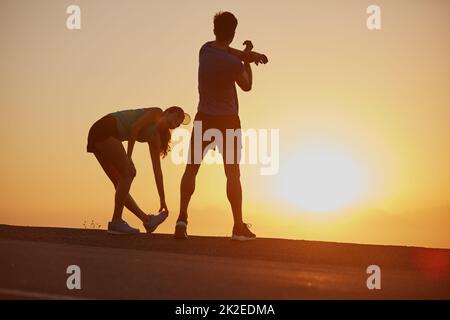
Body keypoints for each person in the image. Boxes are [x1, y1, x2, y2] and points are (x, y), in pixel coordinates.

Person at [174, 11, 268, 240]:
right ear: (233, 33)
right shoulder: (235, 63)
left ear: (214, 29)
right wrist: (248, 60)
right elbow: (247, 86)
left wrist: (247, 55)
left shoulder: (204, 50)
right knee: (232, 174)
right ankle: (238, 226)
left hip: (204, 118)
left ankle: (182, 219)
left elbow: (223, 49)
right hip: (227, 121)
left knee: (191, 168)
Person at [87, 106, 190, 234]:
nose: (177, 123)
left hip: (98, 134)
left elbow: (157, 171)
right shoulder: (156, 112)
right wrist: (128, 157)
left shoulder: (154, 138)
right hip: (105, 128)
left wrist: (162, 199)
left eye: (179, 123)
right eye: (176, 117)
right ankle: (116, 222)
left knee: (120, 182)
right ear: (167, 112)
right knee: (129, 173)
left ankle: (147, 220)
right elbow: (134, 127)